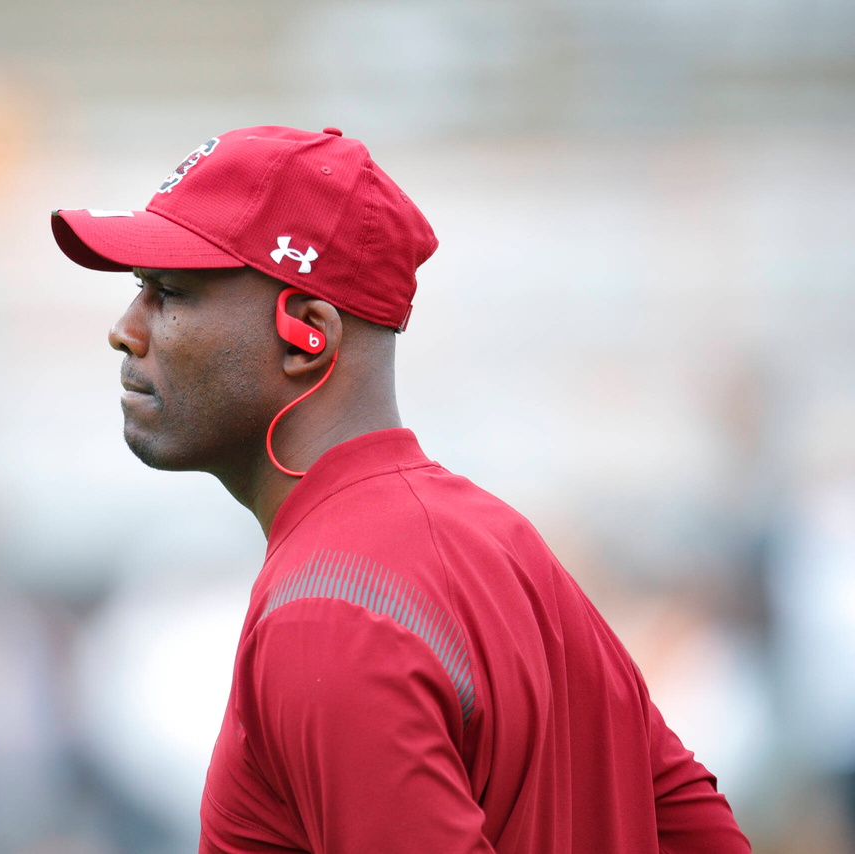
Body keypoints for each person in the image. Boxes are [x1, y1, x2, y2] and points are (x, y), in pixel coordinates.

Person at [50, 125, 751, 854]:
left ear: (305, 334)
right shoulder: (502, 541)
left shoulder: (326, 615)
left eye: (170, 293)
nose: (125, 330)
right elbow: (705, 834)